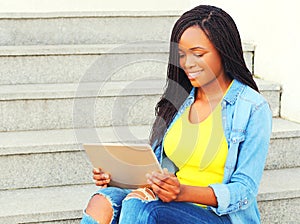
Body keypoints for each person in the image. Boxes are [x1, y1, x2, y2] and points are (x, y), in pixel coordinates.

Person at [80, 4, 272, 224]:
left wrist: (182, 192)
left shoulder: (252, 107)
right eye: (181, 55)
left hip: (217, 216)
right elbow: (158, 174)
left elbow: (244, 191)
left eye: (198, 54)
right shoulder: (179, 100)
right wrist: (117, 178)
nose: (187, 64)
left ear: (224, 51)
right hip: (169, 203)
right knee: (103, 200)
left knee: (141, 207)